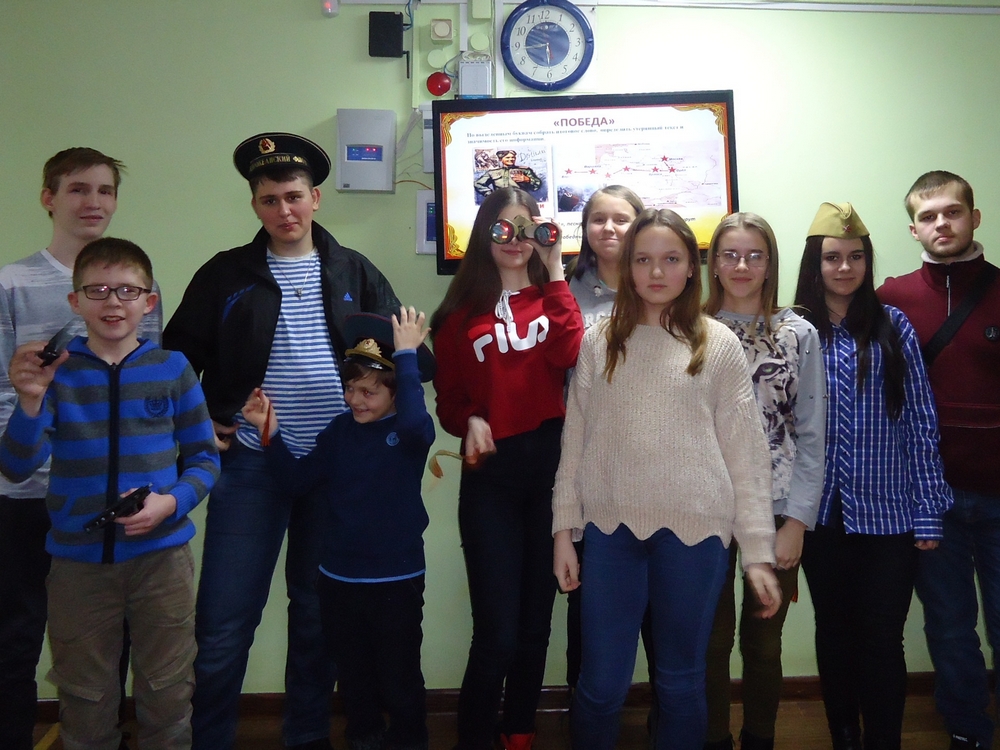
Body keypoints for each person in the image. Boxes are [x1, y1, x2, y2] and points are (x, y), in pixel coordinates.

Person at [162, 132, 401, 750]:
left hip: (332, 469)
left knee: (317, 617)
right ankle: (208, 740)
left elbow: (401, 359)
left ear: (315, 198)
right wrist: (200, 421)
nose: (284, 210)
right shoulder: (225, 275)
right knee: (223, 622)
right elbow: (174, 360)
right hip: (251, 466)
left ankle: (307, 738)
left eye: (294, 196)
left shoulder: (354, 270)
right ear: (255, 205)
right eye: (269, 200)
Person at [552, 208, 781, 750]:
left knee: (680, 683)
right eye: (644, 260)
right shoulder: (599, 341)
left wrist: (757, 553)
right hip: (611, 533)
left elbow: (746, 455)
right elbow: (574, 442)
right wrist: (564, 530)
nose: (657, 272)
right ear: (628, 266)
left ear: (691, 268)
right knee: (600, 687)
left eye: (671, 259)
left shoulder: (717, 344)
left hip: (696, 536)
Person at [0, 237, 219, 749]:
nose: (113, 302)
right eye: (97, 290)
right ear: (75, 302)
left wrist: (173, 502)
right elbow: (15, 466)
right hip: (77, 567)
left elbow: (205, 460)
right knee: (84, 695)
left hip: (161, 562)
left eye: (127, 290)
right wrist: (29, 402)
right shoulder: (56, 374)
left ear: (150, 301)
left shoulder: (173, 369)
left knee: (168, 691)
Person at [0, 148, 162, 750]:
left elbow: (147, 385)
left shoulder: (143, 287)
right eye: (77, 189)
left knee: (110, 635)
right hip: (28, 491)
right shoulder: (11, 283)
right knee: (17, 631)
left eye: (104, 190)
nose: (93, 202)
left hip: (106, 493)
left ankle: (102, 737)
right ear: (49, 198)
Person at [793, 202, 953, 750]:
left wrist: (928, 509)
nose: (845, 267)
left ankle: (884, 739)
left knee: (883, 639)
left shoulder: (893, 326)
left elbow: (920, 420)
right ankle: (844, 735)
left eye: (856, 256)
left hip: (890, 516)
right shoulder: (794, 330)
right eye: (832, 257)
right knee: (834, 632)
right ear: (814, 265)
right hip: (819, 515)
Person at [430, 186, 583, 750]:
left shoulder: (553, 300)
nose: (514, 240)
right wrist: (468, 419)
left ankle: (519, 729)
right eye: (501, 228)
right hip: (491, 479)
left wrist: (556, 267)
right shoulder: (457, 316)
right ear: (483, 236)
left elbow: (569, 353)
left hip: (549, 472)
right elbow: (449, 401)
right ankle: (474, 736)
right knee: (496, 631)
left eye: (526, 228)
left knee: (536, 625)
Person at [242, 307, 435, 750]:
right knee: (354, 678)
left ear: (396, 392)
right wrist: (270, 432)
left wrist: (406, 356)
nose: (355, 400)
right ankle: (364, 738)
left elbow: (414, 422)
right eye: (350, 388)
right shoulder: (338, 431)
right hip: (339, 582)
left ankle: (409, 741)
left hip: (396, 581)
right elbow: (296, 481)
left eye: (369, 391)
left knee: (400, 677)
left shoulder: (410, 434)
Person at [877, 172, 1000, 750]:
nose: (941, 224)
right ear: (913, 230)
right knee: (950, 627)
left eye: (952, 212)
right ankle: (968, 730)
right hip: (931, 502)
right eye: (928, 217)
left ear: (975, 218)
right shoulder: (891, 298)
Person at [702, 213, 826, 750]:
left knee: (763, 644)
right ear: (713, 262)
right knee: (708, 643)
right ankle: (711, 739)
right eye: (730, 254)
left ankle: (759, 739)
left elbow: (813, 436)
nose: (742, 266)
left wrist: (797, 521)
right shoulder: (689, 327)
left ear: (770, 264)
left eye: (755, 255)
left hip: (777, 509)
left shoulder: (799, 333)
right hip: (704, 509)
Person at [562, 185, 651, 692]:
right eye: (598, 219)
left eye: (621, 218)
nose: (609, 228)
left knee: (660, 612)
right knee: (589, 609)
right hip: (587, 467)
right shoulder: (562, 290)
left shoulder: (661, 290)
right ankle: (586, 715)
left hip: (654, 467)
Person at [474, 150, 542, 197]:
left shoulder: (525, 170)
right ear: (501, 159)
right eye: (508, 157)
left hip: (520, 200)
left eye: (513, 157)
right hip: (500, 202)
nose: (511, 159)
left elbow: (538, 184)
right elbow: (478, 184)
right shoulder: (493, 172)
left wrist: (528, 179)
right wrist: (490, 194)